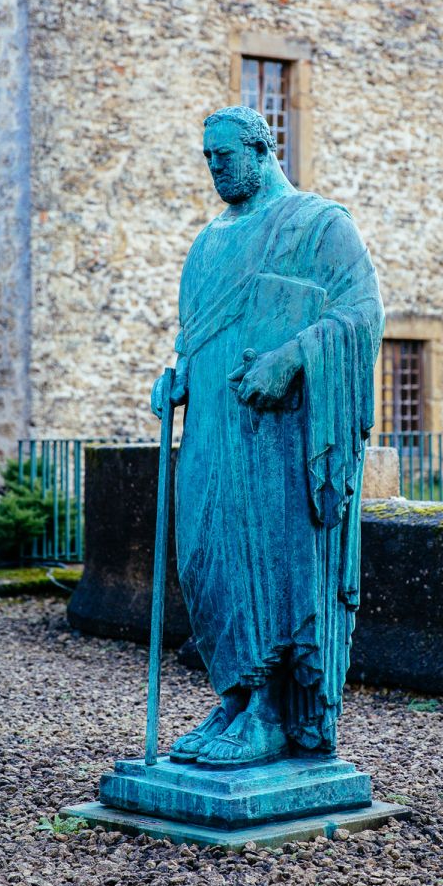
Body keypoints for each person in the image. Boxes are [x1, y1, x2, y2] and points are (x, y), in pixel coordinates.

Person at [151, 106, 384, 767]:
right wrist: (176, 379)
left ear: (261, 150)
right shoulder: (207, 244)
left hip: (278, 434)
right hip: (211, 431)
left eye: (224, 156)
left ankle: (269, 712)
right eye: (207, 158)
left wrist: (292, 358)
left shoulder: (319, 225)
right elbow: (194, 338)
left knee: (270, 558)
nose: (215, 168)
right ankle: (232, 698)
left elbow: (363, 313)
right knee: (205, 557)